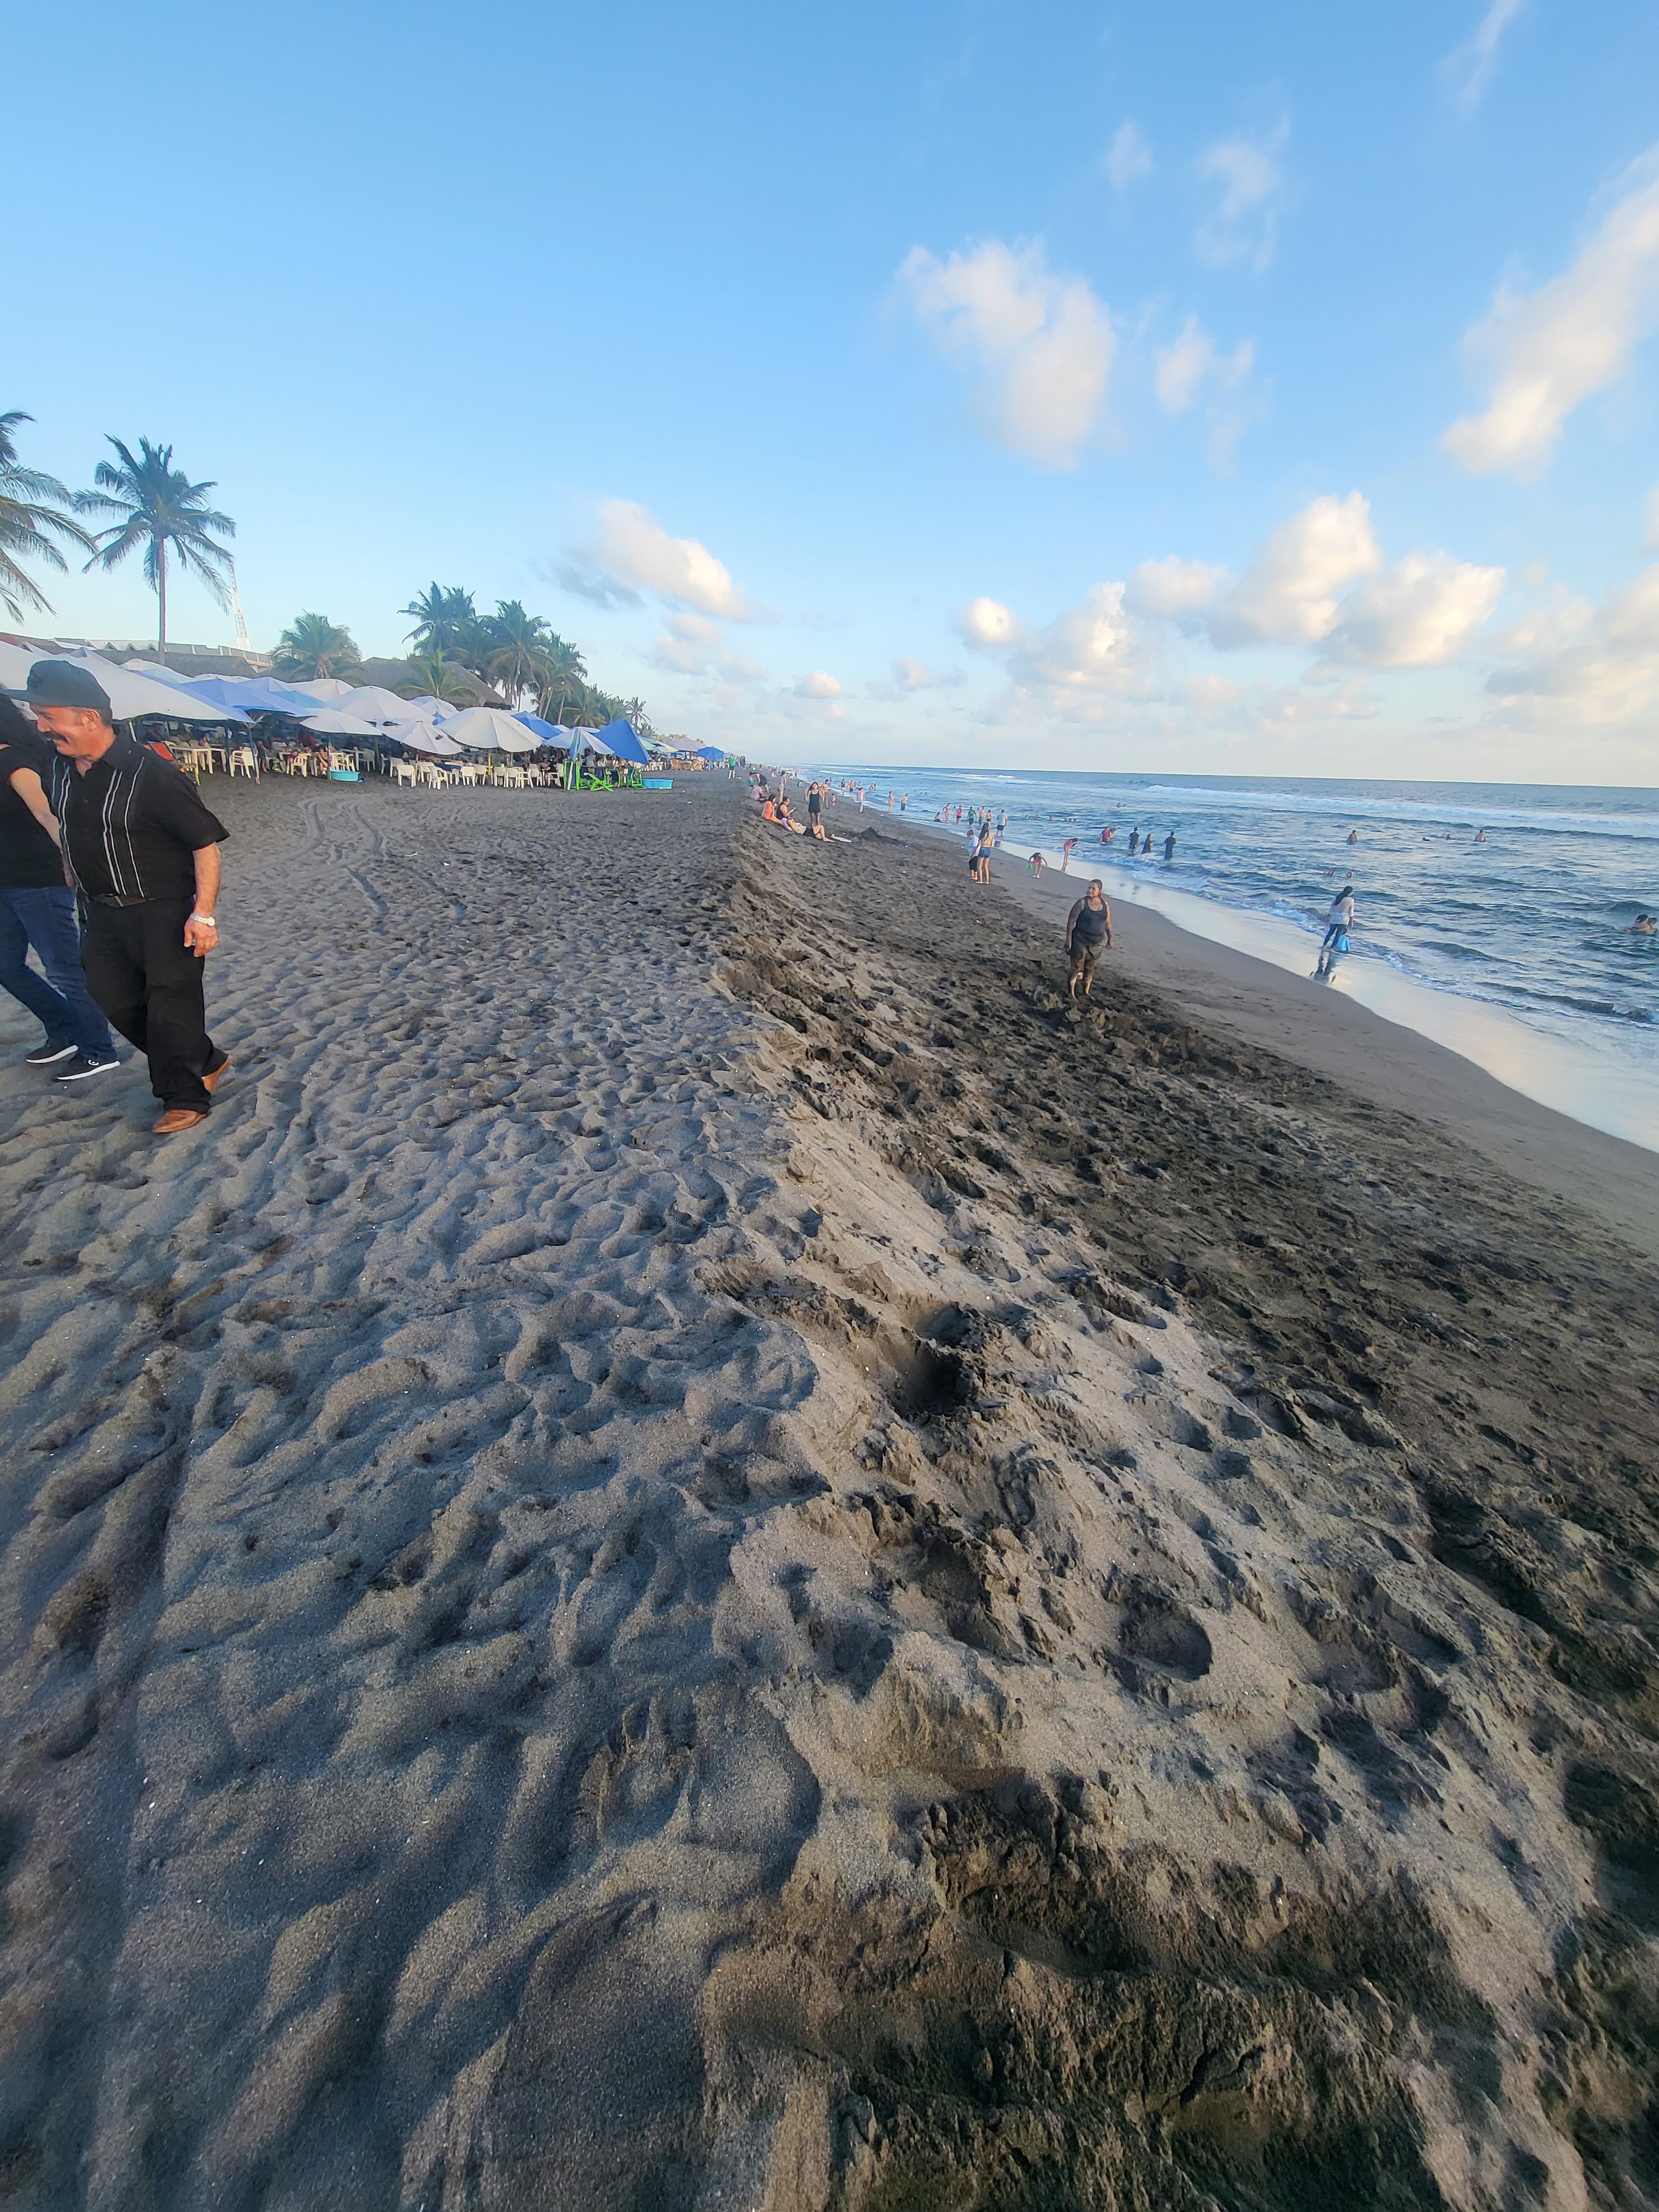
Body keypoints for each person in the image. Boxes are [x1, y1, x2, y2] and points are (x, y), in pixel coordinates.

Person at [15, 660, 231, 1134]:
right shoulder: (57, 767)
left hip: (164, 911)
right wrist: (71, 869)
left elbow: (205, 845)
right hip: (100, 910)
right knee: (113, 999)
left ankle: (184, 1097)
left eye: (49, 717)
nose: (42, 727)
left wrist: (203, 916)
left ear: (89, 718)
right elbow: (68, 825)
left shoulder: (152, 774)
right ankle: (205, 1059)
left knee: (170, 1008)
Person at [0, 695, 119, 1082]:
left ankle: (100, 1050)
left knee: (64, 969)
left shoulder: (13, 761)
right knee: (6, 966)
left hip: (39, 881)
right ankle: (65, 1027)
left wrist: (75, 864)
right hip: (6, 882)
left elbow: (47, 815)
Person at [1065, 881, 1113, 997]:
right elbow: (1071, 922)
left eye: (1093, 889)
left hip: (1098, 942)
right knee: (1077, 966)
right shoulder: (1082, 903)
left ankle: (1086, 991)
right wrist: (1068, 939)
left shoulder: (1105, 905)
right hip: (1080, 939)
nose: (1090, 891)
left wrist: (1110, 938)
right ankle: (1071, 993)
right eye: (1089, 888)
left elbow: (1108, 923)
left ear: (1100, 891)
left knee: (1090, 967)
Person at [1317, 882, 1355, 977]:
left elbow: (1332, 909)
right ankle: (1332, 949)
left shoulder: (1338, 898)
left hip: (1335, 917)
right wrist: (1351, 921)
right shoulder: (1351, 900)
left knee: (1330, 933)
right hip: (1343, 919)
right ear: (1350, 893)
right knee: (1338, 935)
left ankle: (1324, 946)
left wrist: (1329, 917)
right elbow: (1351, 912)